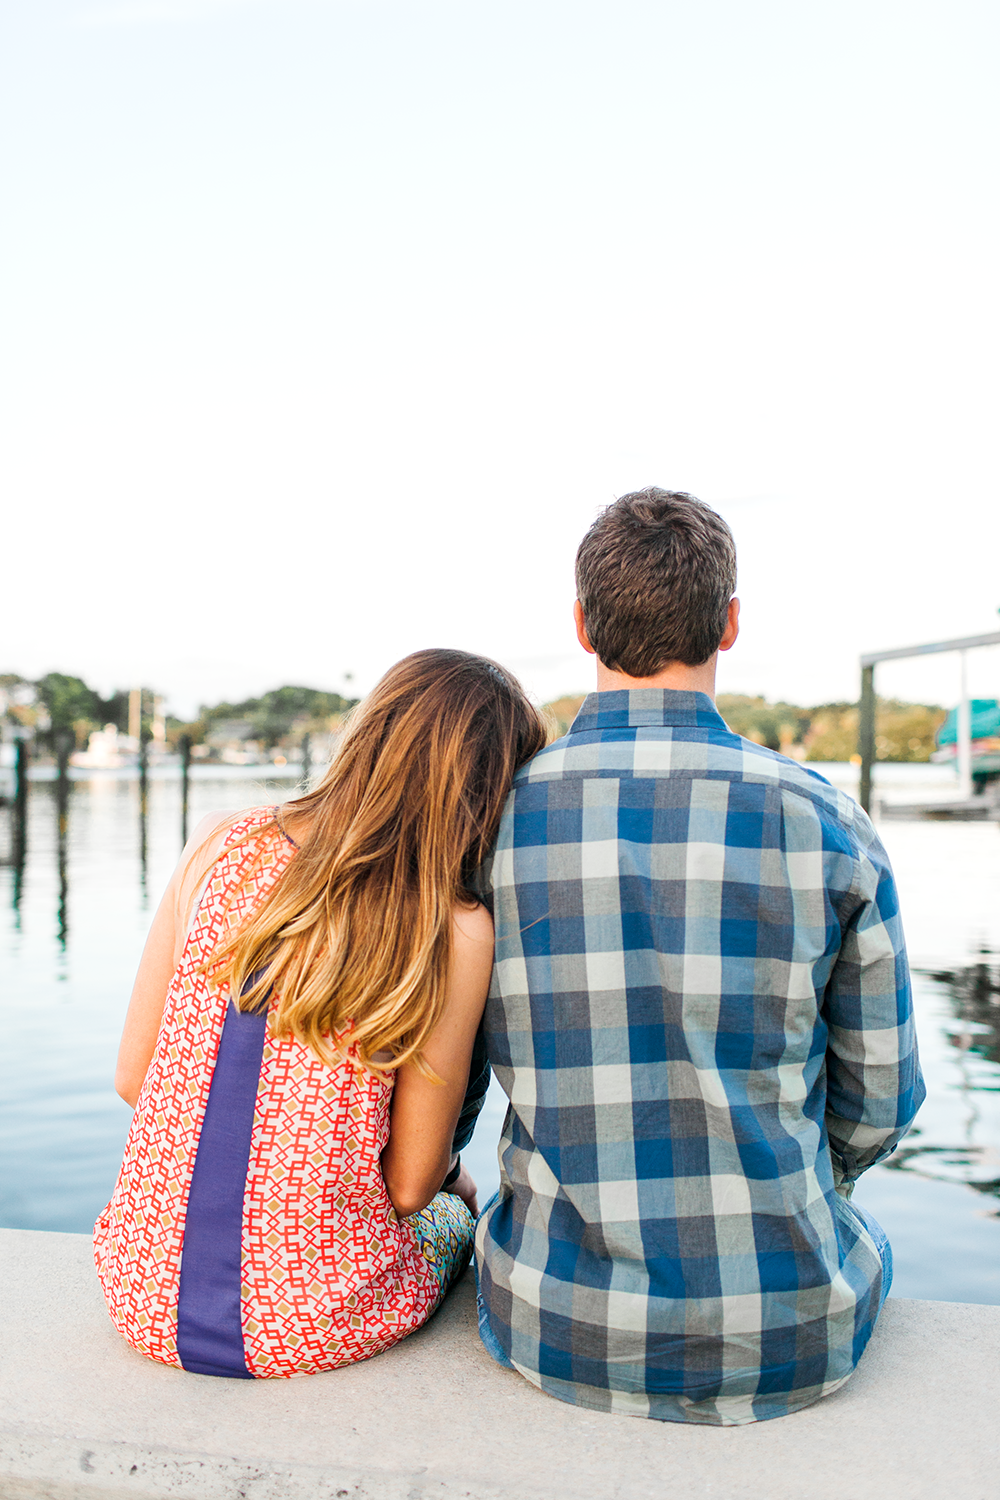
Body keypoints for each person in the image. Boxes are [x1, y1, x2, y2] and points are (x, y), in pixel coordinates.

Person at [474, 488, 925, 1425]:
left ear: (582, 625)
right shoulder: (825, 820)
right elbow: (880, 1098)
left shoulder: (491, 823)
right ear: (728, 623)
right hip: (793, 1330)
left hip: (558, 1320)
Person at [95, 649, 546, 1380]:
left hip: (140, 1291)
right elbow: (410, 1188)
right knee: (461, 1211)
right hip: (316, 1319)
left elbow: (132, 1078)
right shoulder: (456, 927)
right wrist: (458, 1184)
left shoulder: (218, 841)